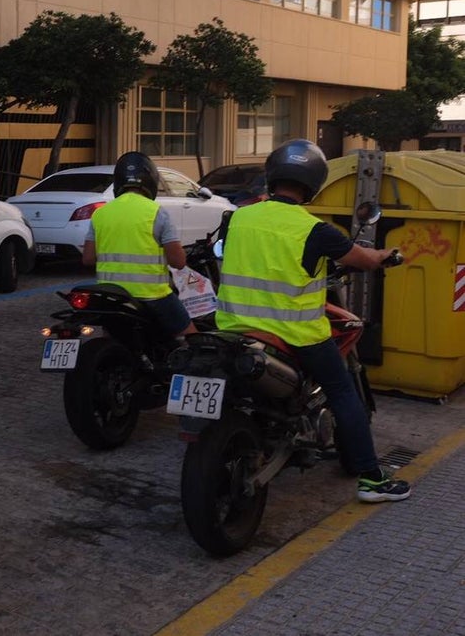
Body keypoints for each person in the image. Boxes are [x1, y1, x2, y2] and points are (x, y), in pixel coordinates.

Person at [215, 138, 410, 504]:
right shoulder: (314, 230)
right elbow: (364, 259)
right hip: (295, 335)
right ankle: (371, 479)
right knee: (342, 392)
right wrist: (388, 255)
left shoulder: (238, 217)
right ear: (313, 183)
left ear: (272, 176)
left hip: (234, 328)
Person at [81, 151, 196, 339]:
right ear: (151, 180)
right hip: (152, 296)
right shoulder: (157, 212)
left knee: (110, 335)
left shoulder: (101, 213)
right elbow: (178, 262)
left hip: (111, 295)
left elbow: (88, 258)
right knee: (191, 336)